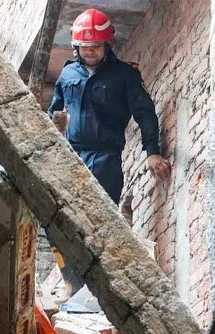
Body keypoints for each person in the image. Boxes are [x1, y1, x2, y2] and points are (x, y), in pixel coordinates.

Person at [46, 9, 170, 296]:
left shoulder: (124, 75)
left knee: (98, 220)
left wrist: (152, 152)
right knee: (55, 218)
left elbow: (145, 113)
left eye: (96, 46)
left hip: (105, 157)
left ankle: (97, 287)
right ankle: (71, 282)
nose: (90, 51)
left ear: (107, 45)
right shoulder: (67, 74)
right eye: (85, 47)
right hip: (71, 156)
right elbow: (54, 113)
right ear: (76, 47)